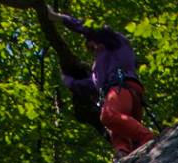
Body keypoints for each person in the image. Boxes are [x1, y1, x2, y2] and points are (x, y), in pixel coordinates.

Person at [47, 10, 155, 154]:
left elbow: (89, 29)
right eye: (91, 48)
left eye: (94, 43)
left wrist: (58, 18)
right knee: (117, 129)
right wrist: (67, 80)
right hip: (118, 95)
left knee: (108, 115)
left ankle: (147, 137)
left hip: (122, 87)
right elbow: (89, 85)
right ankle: (123, 154)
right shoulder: (98, 69)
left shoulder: (116, 42)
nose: (94, 48)